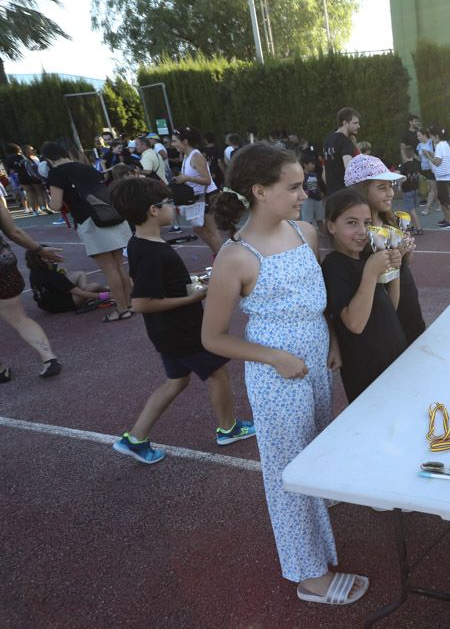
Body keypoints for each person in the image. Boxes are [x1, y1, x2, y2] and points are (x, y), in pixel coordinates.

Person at [202, 142, 367, 605]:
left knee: (316, 447)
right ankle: (309, 575)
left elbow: (316, 298)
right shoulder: (235, 257)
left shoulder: (306, 232)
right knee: (288, 474)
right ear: (259, 190)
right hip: (279, 379)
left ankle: (319, 528)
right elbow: (213, 338)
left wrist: (332, 339)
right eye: (293, 186)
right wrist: (274, 358)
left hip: (316, 362)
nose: (303, 193)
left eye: (302, 185)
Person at [107, 177, 255, 464]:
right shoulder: (151, 251)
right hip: (180, 330)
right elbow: (141, 303)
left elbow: (159, 287)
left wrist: (192, 283)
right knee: (218, 372)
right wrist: (194, 297)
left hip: (166, 331)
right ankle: (229, 428)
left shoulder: (141, 244)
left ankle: (136, 437)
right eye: (168, 203)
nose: (173, 207)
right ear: (153, 210)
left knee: (176, 381)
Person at [321, 187, 405, 402]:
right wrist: (371, 272)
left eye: (367, 223)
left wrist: (394, 269)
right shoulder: (334, 266)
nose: (361, 231)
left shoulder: (364, 259)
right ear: (331, 226)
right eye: (351, 223)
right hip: (366, 370)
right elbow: (355, 324)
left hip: (392, 357)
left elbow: (391, 308)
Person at [40, 142, 134, 322]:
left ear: (48, 159)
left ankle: (122, 308)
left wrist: (48, 202)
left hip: (91, 222)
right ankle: (129, 304)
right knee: (119, 265)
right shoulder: (86, 168)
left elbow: (56, 204)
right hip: (110, 215)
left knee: (109, 268)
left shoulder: (56, 173)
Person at [346, 154, 427, 345]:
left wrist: (406, 253)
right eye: (382, 187)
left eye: (390, 186)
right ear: (362, 190)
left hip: (407, 299)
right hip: (381, 310)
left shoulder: (390, 220)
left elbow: (403, 266)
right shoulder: (356, 235)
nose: (390, 193)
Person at [0, 200, 64, 381]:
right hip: (3, 263)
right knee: (18, 317)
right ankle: (48, 357)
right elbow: (14, 232)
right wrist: (40, 250)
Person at [172, 126, 224, 256]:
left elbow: (207, 179)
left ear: (185, 142)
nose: (173, 145)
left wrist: (187, 178)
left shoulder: (196, 156)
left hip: (207, 195)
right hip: (197, 196)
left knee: (212, 231)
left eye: (175, 141)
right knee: (197, 228)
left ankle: (222, 259)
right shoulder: (186, 156)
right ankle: (217, 255)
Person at [25, 247, 110, 313]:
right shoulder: (54, 276)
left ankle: (86, 288)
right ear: (44, 259)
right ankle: (109, 290)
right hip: (61, 305)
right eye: (51, 252)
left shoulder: (35, 271)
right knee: (93, 286)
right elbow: (82, 293)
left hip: (45, 303)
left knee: (80, 274)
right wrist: (107, 296)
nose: (55, 253)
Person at [323, 107, 361, 193]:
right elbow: (349, 168)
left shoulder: (327, 141)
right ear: (345, 123)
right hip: (344, 193)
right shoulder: (345, 141)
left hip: (331, 194)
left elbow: (324, 172)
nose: (358, 126)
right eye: (355, 123)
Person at [425, 126, 450, 229]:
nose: (432, 140)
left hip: (442, 176)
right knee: (442, 198)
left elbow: (438, 162)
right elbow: (440, 157)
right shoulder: (445, 144)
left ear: (437, 136)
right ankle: (446, 219)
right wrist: (432, 154)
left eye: (432, 137)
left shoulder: (439, 145)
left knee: (444, 199)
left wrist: (428, 156)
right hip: (444, 175)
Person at [397, 146, 424, 235]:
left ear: (404, 155)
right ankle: (413, 226)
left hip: (407, 190)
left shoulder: (404, 166)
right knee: (412, 210)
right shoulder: (416, 165)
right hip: (415, 189)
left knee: (411, 210)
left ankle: (419, 227)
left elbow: (398, 174)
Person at [416, 128, 437, 215]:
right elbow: (420, 158)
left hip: (432, 168)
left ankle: (427, 208)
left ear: (424, 135)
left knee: (432, 189)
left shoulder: (431, 142)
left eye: (419, 135)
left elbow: (436, 155)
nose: (418, 137)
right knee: (433, 188)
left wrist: (428, 153)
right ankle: (439, 204)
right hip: (424, 169)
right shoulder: (419, 146)